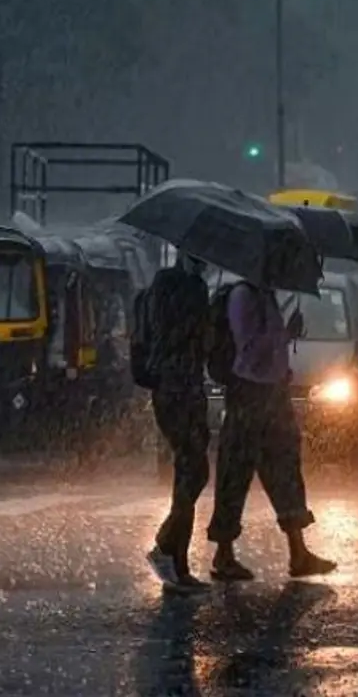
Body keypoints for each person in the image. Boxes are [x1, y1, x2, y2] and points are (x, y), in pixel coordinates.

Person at [206, 280, 337, 581]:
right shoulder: (242, 296)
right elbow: (249, 348)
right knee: (235, 472)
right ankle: (223, 554)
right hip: (248, 393)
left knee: (285, 469)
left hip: (274, 393)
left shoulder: (267, 296)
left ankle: (299, 552)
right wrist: (283, 334)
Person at [143, 252, 213, 593]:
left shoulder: (193, 287)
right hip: (173, 387)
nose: (205, 262)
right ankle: (166, 547)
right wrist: (202, 316)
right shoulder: (169, 285)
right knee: (193, 468)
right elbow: (172, 333)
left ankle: (176, 560)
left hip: (189, 385)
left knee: (191, 471)